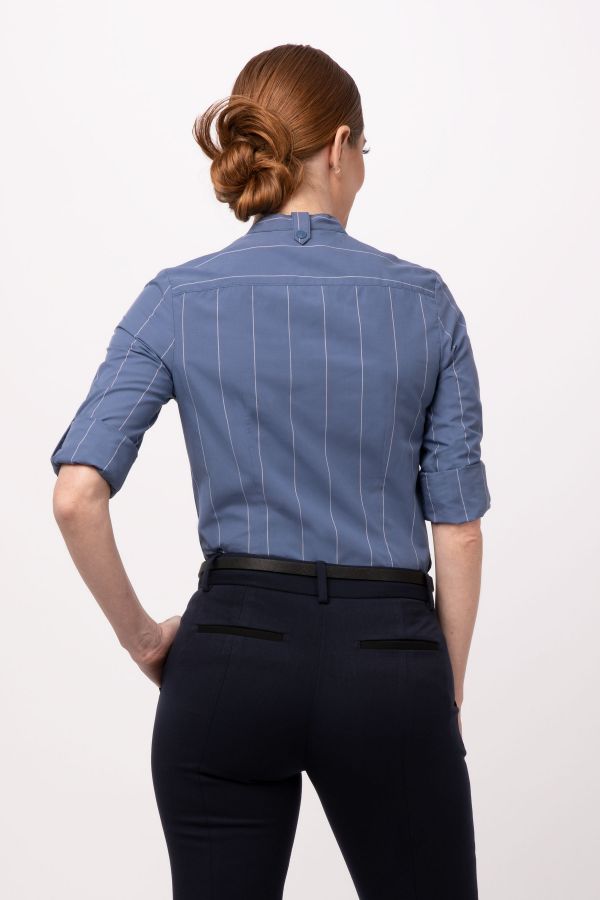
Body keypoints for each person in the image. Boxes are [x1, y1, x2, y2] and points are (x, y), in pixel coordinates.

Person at [50, 42, 491, 900]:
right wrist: (440, 690)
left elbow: (76, 496)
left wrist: (145, 639)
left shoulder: (177, 298)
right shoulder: (424, 303)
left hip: (228, 661)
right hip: (388, 659)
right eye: (365, 149)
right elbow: (461, 530)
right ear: (339, 147)